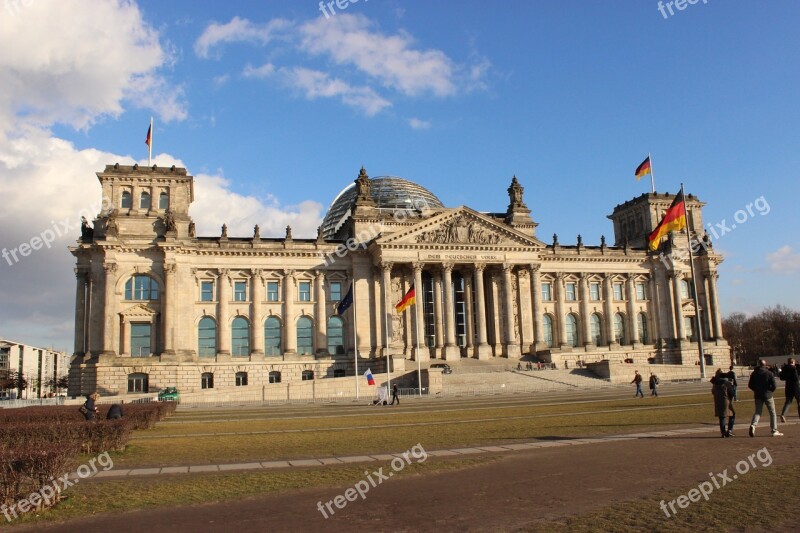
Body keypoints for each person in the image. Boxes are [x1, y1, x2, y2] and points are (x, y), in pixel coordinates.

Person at [748, 359, 782, 437]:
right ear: (765, 365)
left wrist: (756, 390)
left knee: (758, 412)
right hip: (768, 394)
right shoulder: (769, 373)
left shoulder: (754, 373)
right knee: (772, 412)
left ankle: (753, 425)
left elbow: (750, 385)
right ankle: (774, 430)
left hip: (758, 395)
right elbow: (774, 385)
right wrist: (770, 391)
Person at [712, 368, 736, 437]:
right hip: (726, 401)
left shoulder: (715, 383)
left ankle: (723, 432)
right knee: (732, 415)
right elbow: (731, 392)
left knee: (721, 417)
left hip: (717, 400)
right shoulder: (726, 382)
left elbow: (713, 392)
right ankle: (729, 430)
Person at [779, 357, 800, 423]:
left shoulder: (784, 368)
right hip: (796, 387)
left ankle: (783, 414)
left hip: (788, 386)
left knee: (788, 402)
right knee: (799, 402)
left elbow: (781, 377)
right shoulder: (794, 368)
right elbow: (796, 378)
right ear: (793, 362)